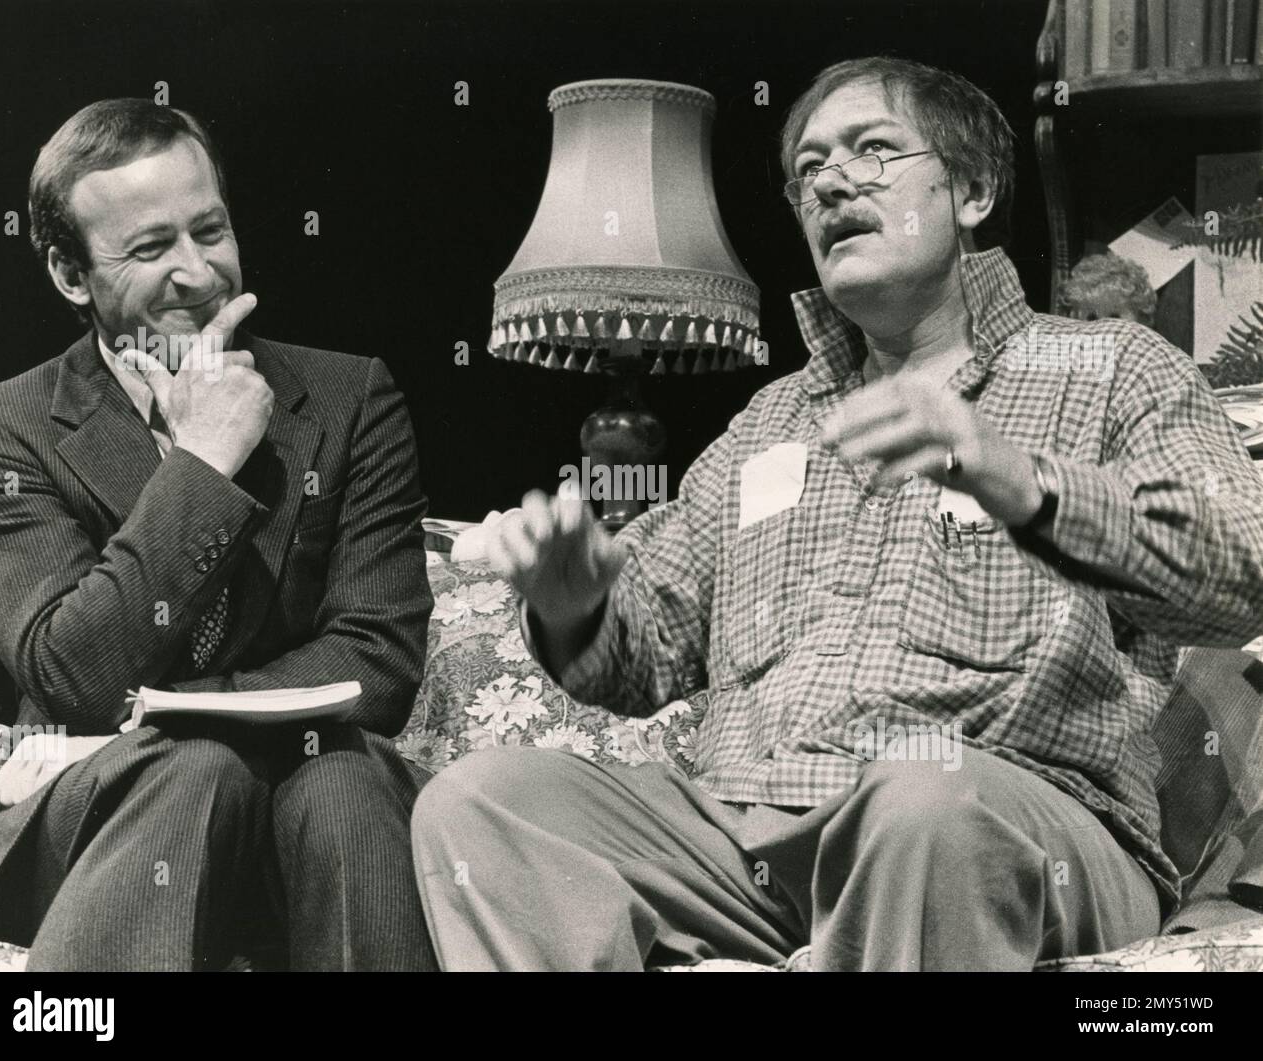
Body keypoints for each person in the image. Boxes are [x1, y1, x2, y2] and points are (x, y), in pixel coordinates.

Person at [410, 57, 1263, 971]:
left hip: (1008, 815)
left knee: (923, 798)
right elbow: (645, 653)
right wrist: (570, 598)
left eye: (873, 150)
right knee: (484, 802)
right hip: (746, 839)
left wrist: (1013, 475)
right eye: (809, 167)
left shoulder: (1113, 369)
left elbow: (1236, 574)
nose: (831, 182)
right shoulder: (768, 423)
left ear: (971, 191)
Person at [0, 99, 436, 970]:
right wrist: (207, 462)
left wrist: (166, 716)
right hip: (99, 817)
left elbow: (378, 657)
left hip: (308, 810)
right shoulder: (2, 429)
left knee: (344, 781)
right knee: (195, 771)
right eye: (149, 250)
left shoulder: (349, 401)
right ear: (72, 274)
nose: (199, 272)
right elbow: (73, 668)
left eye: (209, 230)